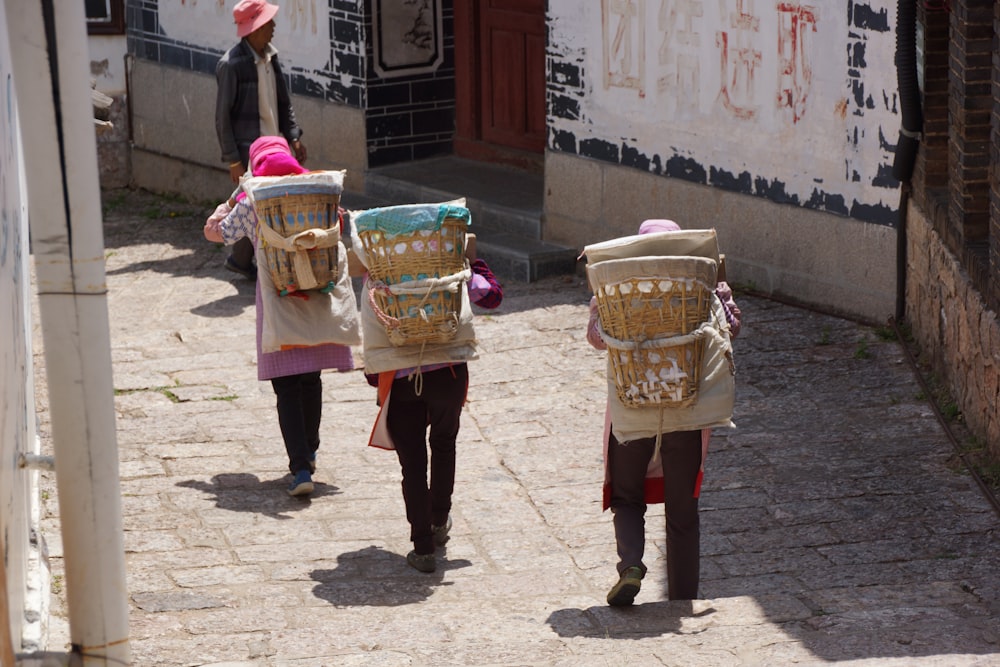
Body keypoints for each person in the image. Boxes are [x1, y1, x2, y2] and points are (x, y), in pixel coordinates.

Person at [586, 218, 741, 605]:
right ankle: (684, 596)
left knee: (626, 496)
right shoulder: (703, 284)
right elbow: (732, 327)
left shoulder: (614, 288)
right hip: (685, 412)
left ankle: (632, 566)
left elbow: (596, 338)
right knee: (682, 507)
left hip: (631, 410)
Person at [204, 136, 351, 497]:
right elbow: (339, 227)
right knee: (311, 378)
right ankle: (311, 448)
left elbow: (218, 234)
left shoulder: (254, 200)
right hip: (315, 294)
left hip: (277, 296)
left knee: (286, 386)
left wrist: (223, 207)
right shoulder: (318, 191)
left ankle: (300, 468)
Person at [366, 255, 503, 573]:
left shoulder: (380, 275)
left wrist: (375, 377)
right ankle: (440, 521)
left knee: (412, 465)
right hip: (448, 375)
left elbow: (371, 330)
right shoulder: (451, 266)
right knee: (443, 444)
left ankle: (423, 547)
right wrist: (475, 264)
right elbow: (492, 296)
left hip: (401, 380)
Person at [215, 0, 307, 281]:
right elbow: (222, 118)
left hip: (275, 148)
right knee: (250, 203)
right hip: (247, 151)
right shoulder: (231, 65)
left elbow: (283, 102)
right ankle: (242, 259)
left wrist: (293, 136)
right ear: (254, 29)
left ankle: (244, 259)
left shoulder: (271, 57)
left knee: (267, 202)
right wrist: (232, 158)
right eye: (268, 24)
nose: (273, 28)